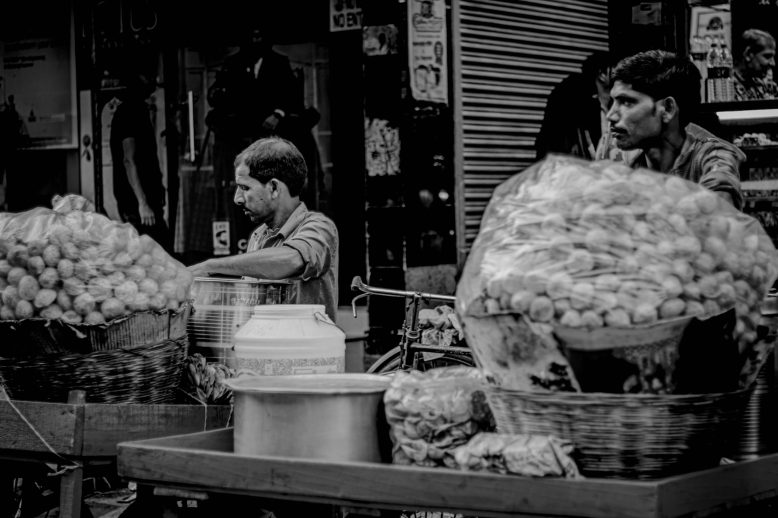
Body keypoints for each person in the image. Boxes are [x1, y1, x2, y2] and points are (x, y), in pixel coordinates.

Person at [188, 137, 339, 322]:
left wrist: (210, 266)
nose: (237, 198)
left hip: (303, 350)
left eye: (245, 187)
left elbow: (292, 260)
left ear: (274, 187)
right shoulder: (258, 236)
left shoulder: (319, 227)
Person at [206, 23, 322, 253]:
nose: (256, 41)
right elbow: (218, 101)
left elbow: (292, 97)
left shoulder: (279, 63)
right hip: (244, 137)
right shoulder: (233, 66)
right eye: (252, 36)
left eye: (260, 35)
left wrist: (278, 114)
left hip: (272, 134)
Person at [600, 49, 744, 210]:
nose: (611, 115)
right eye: (613, 102)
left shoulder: (713, 156)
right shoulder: (619, 154)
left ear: (667, 109)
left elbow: (720, 198)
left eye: (627, 102)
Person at [109, 63, 170, 251]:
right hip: (137, 203)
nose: (153, 83)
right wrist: (142, 203)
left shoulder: (137, 110)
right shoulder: (130, 112)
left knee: (155, 254)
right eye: (148, 79)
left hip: (143, 199)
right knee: (153, 254)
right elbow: (129, 160)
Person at [535, 51, 619, 161]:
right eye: (616, 69)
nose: (621, 73)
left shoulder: (614, 106)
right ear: (602, 74)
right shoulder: (582, 107)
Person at [733, 28, 778, 101]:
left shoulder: (765, 85)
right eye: (767, 56)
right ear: (748, 54)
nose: (773, 63)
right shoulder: (727, 87)